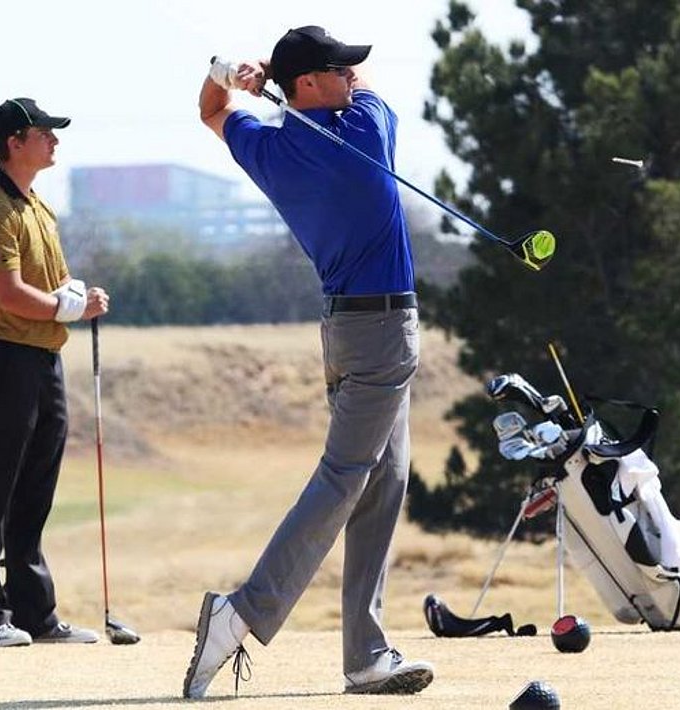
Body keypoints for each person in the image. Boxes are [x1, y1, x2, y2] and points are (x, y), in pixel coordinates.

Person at [182, 27, 431, 699]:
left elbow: (211, 110)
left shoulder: (272, 148)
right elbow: (370, 87)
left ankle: (366, 656)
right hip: (382, 334)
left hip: (346, 332)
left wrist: (232, 75)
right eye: (337, 68)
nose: (351, 75)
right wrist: (270, 73)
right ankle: (241, 612)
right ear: (310, 83)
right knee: (345, 478)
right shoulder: (365, 130)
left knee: (383, 482)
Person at [0, 98, 109, 647]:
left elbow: (55, 282)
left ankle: (34, 615)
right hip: (4, 358)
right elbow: (10, 295)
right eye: (44, 132)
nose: (54, 140)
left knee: (35, 491)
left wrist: (79, 296)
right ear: (15, 143)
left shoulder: (37, 207)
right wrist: (67, 308)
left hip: (44, 359)